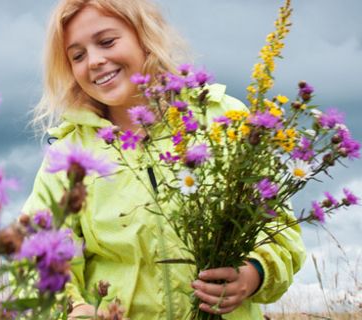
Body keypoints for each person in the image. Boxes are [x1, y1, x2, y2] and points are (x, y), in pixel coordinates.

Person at [22, 0, 306, 319]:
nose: (95, 61)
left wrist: (252, 275)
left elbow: (280, 233)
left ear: (145, 36)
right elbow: (39, 255)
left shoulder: (224, 116)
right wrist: (74, 307)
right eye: (77, 55)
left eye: (106, 42)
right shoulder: (69, 155)